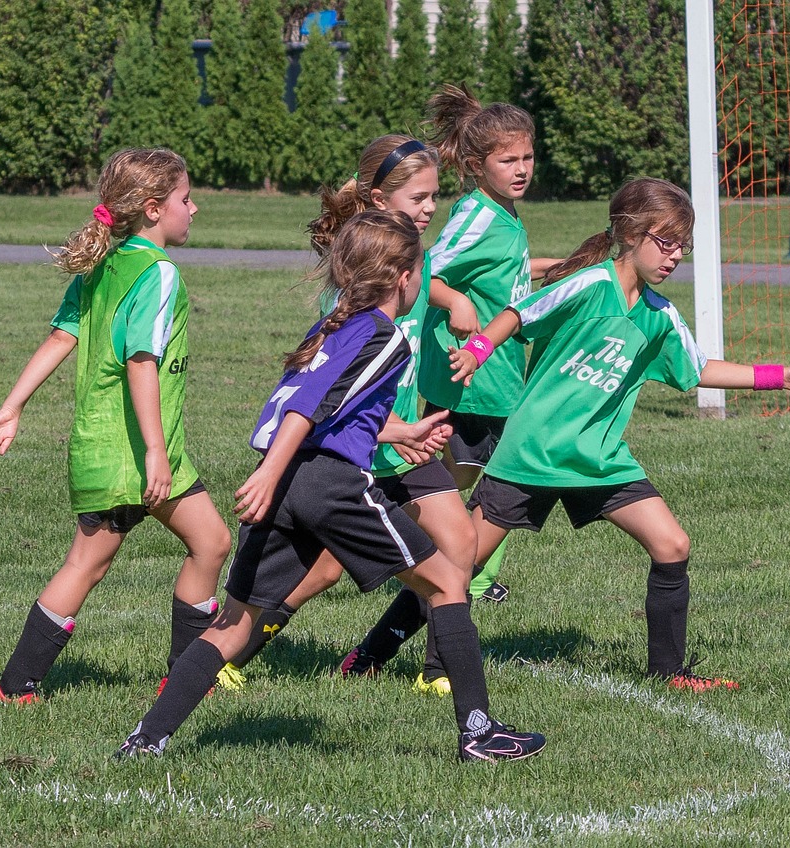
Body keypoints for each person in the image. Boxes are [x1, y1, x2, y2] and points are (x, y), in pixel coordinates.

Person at [115, 209, 545, 762]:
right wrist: (269, 474)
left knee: (233, 622)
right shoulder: (384, 337)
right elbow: (307, 408)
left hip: (295, 476)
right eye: (420, 269)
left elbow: (320, 411)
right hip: (326, 483)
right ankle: (480, 732)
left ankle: (146, 738)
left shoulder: (334, 327)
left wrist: (401, 431)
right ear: (402, 278)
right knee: (446, 582)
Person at [447, 177, 790, 692]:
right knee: (461, 560)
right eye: (665, 242)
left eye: (683, 246)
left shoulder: (659, 316)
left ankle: (668, 674)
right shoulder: (589, 284)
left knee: (672, 543)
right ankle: (389, 656)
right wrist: (477, 350)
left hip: (598, 459)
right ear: (629, 234)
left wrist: (779, 375)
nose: (675, 256)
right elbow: (520, 313)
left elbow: (697, 369)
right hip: (533, 453)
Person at [214, 136, 477, 697]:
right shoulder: (351, 286)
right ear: (380, 200)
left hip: (400, 434)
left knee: (459, 543)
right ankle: (232, 652)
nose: (431, 208)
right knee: (323, 568)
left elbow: (425, 289)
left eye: (435, 197)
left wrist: (454, 302)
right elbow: (326, 394)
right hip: (351, 445)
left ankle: (439, 673)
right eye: (420, 197)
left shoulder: (414, 261)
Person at [0, 148, 232, 704]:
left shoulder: (104, 267)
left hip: (98, 447)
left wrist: (11, 406)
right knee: (211, 542)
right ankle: (185, 680)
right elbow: (143, 361)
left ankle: (15, 686)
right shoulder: (159, 274)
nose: (196, 207)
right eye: (186, 198)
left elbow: (60, 338)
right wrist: (158, 453)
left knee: (86, 564)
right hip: (137, 452)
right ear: (153, 209)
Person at [415, 83, 557, 616]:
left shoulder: (505, 213)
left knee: (488, 477)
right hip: (470, 376)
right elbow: (418, 270)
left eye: (527, 156)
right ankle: (445, 567)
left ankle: (460, 568)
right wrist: (454, 302)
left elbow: (502, 271)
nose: (522, 168)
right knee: (472, 479)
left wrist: (555, 269)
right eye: (508, 160)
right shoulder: (476, 215)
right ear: (477, 165)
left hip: (497, 375)